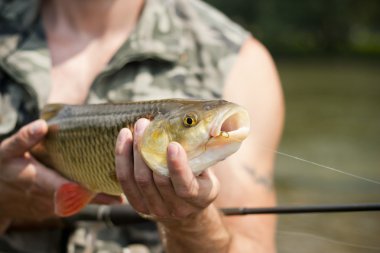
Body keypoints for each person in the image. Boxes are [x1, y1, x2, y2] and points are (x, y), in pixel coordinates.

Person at [0, 0, 284, 252]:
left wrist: (191, 222)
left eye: (189, 122)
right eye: (189, 121)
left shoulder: (239, 62)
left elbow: (253, 247)